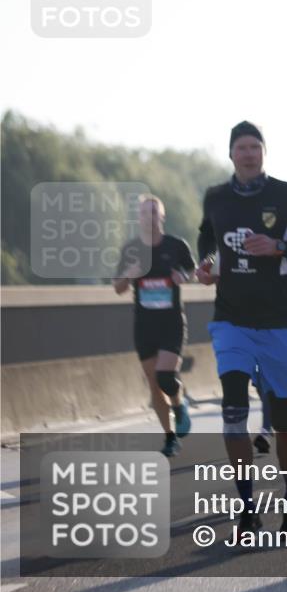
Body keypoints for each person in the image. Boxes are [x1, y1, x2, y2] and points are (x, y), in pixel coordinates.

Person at [195, 120, 287, 536]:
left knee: (284, 418)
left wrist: (278, 246)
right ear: (231, 153)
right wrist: (207, 262)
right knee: (234, 411)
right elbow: (206, 237)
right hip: (231, 319)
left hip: (280, 321)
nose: (249, 154)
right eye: (242, 147)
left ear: (264, 152)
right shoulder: (216, 197)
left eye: (255, 147)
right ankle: (247, 508)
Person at [113, 195, 195, 457]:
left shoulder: (176, 245)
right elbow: (117, 287)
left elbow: (191, 271)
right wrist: (129, 275)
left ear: (162, 216)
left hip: (171, 322)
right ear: (138, 218)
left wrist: (183, 276)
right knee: (153, 383)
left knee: (165, 376)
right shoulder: (131, 249)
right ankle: (170, 437)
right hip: (144, 325)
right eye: (144, 213)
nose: (149, 217)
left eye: (153, 212)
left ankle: (179, 404)